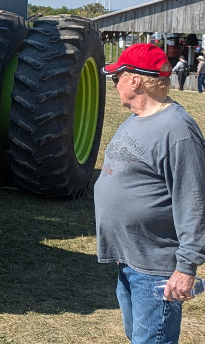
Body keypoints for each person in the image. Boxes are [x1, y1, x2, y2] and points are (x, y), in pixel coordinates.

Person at [94, 43, 205, 344]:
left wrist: (185, 269)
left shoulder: (177, 130)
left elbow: (193, 202)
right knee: (138, 338)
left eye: (117, 76)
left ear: (135, 80)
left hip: (156, 271)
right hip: (130, 261)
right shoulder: (136, 119)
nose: (115, 84)